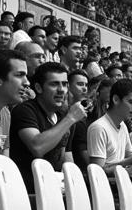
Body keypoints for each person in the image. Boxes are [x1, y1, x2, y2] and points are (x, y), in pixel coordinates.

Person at [10, 61, 92, 191]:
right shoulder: (25, 110)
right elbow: (37, 146)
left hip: (55, 188)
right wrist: (70, 119)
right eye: (54, 84)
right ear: (38, 88)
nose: (61, 90)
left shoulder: (63, 115)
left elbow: (67, 159)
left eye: (64, 84)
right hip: (27, 192)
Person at [87, 78, 132, 173]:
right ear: (116, 99)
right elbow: (97, 171)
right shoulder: (99, 128)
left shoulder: (122, 126)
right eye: (131, 102)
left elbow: (130, 155)